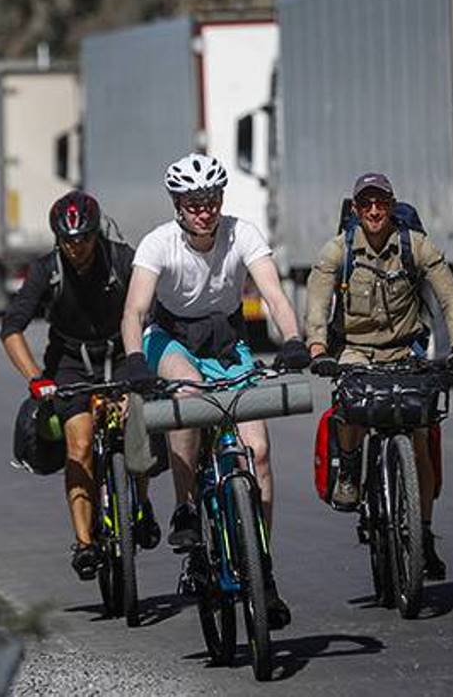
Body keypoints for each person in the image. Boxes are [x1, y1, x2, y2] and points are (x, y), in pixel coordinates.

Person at [119, 152, 311, 628]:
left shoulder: (241, 233)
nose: (204, 210)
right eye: (193, 203)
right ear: (177, 206)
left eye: (211, 200)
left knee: (259, 450)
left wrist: (292, 339)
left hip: (227, 338)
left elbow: (273, 293)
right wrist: (135, 360)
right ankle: (185, 509)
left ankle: (261, 569)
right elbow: (134, 311)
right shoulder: (158, 244)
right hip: (172, 339)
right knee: (191, 396)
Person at [304, 172, 453, 580]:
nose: (375, 211)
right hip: (357, 351)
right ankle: (348, 468)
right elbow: (317, 300)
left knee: (420, 438)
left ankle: (424, 532)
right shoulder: (338, 252)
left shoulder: (415, 246)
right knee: (348, 404)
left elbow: (449, 295)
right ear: (357, 210)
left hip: (406, 350)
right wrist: (317, 348)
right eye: (366, 204)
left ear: (392, 205)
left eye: (381, 203)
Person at [0, 191, 161, 581]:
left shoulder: (123, 259)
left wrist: (143, 364)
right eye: (69, 241)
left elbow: (153, 312)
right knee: (81, 442)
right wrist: (36, 379)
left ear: (97, 232)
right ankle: (86, 543)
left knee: (135, 424)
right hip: (71, 365)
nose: (78, 248)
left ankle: (140, 503)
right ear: (58, 239)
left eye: (85, 238)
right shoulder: (46, 270)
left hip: (122, 355)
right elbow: (12, 329)